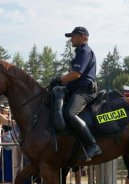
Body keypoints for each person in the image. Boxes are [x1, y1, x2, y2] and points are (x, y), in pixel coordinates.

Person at [50, 26, 100, 161]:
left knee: (70, 114)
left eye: (73, 36)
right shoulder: (80, 52)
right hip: (76, 90)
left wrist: (59, 79)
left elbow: (76, 74)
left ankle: (92, 145)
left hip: (84, 92)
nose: (71, 39)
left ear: (83, 36)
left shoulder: (85, 51)